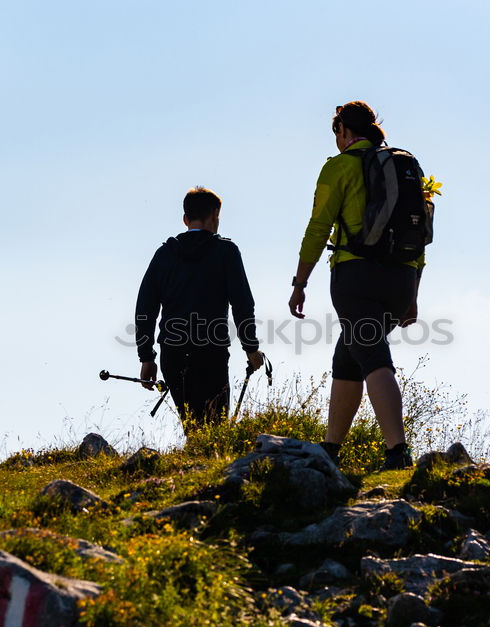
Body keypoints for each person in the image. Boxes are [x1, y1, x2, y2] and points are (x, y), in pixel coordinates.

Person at [288, 101, 425, 470]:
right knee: (348, 356)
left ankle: (398, 452)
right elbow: (421, 233)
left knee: (374, 357)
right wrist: (413, 291)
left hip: (356, 277)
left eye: (336, 133)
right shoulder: (403, 166)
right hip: (401, 279)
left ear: (343, 131)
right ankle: (330, 449)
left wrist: (300, 282)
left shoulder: (341, 166)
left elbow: (318, 228)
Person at [136, 187, 263, 429]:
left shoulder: (164, 255)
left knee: (192, 426)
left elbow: (145, 308)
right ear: (215, 214)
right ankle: (207, 466)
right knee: (214, 428)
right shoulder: (226, 252)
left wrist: (146, 357)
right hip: (210, 350)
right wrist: (251, 348)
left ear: (185, 219)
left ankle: (192, 465)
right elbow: (242, 303)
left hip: (172, 352)